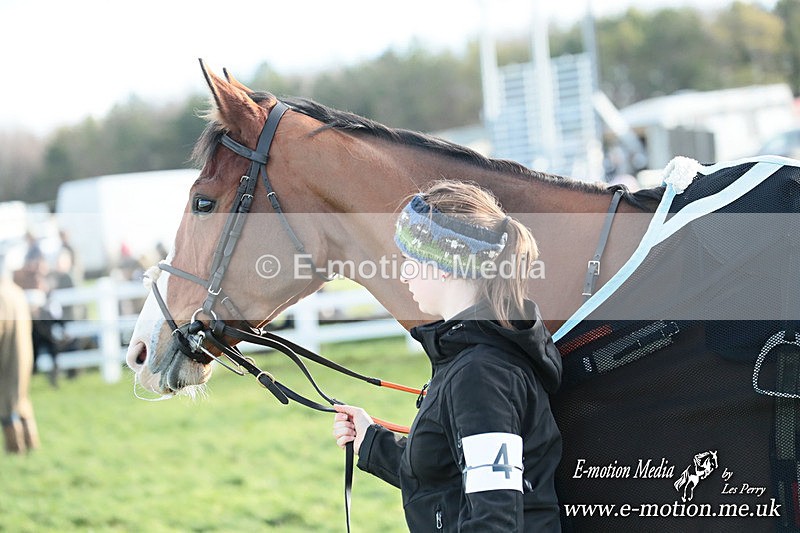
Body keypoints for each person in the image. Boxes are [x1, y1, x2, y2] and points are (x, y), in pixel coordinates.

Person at [332, 181, 563, 531]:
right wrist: (371, 441)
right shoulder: (471, 355)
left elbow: (495, 520)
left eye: (410, 261)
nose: (403, 274)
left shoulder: (481, 374)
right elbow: (450, 476)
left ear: (444, 265)